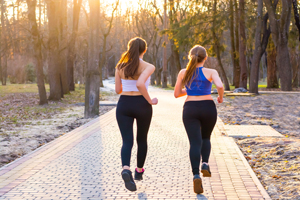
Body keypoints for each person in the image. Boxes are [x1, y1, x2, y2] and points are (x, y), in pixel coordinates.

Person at [174, 45, 224, 194]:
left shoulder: (184, 72)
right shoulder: (211, 72)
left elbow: (176, 94)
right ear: (205, 58)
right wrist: (220, 97)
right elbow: (220, 85)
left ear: (190, 57)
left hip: (190, 109)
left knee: (194, 142)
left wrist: (189, 90)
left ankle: (196, 174)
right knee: (206, 138)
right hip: (208, 107)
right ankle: (205, 163)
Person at [115, 37, 158, 191]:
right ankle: (139, 171)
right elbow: (140, 84)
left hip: (124, 104)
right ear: (144, 50)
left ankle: (126, 168)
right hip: (142, 104)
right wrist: (150, 100)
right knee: (142, 139)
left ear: (129, 48)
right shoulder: (148, 66)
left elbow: (118, 90)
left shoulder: (120, 66)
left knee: (127, 141)